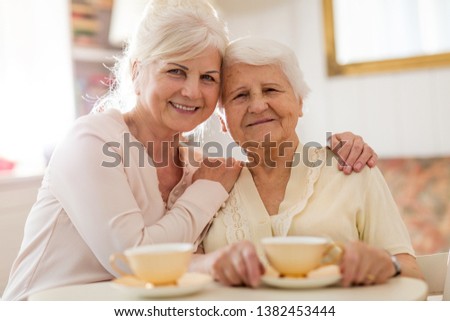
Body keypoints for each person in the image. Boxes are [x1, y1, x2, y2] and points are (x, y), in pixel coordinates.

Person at [3, 0, 376, 300]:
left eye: (208, 78)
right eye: (176, 71)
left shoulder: (198, 162)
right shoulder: (92, 142)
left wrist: (339, 145)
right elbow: (134, 261)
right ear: (136, 71)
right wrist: (207, 195)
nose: (193, 92)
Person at [190, 37, 424, 288]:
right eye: (240, 96)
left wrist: (388, 265)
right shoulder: (209, 185)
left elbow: (412, 273)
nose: (257, 105)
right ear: (223, 120)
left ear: (300, 102)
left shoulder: (352, 168)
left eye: (271, 90)